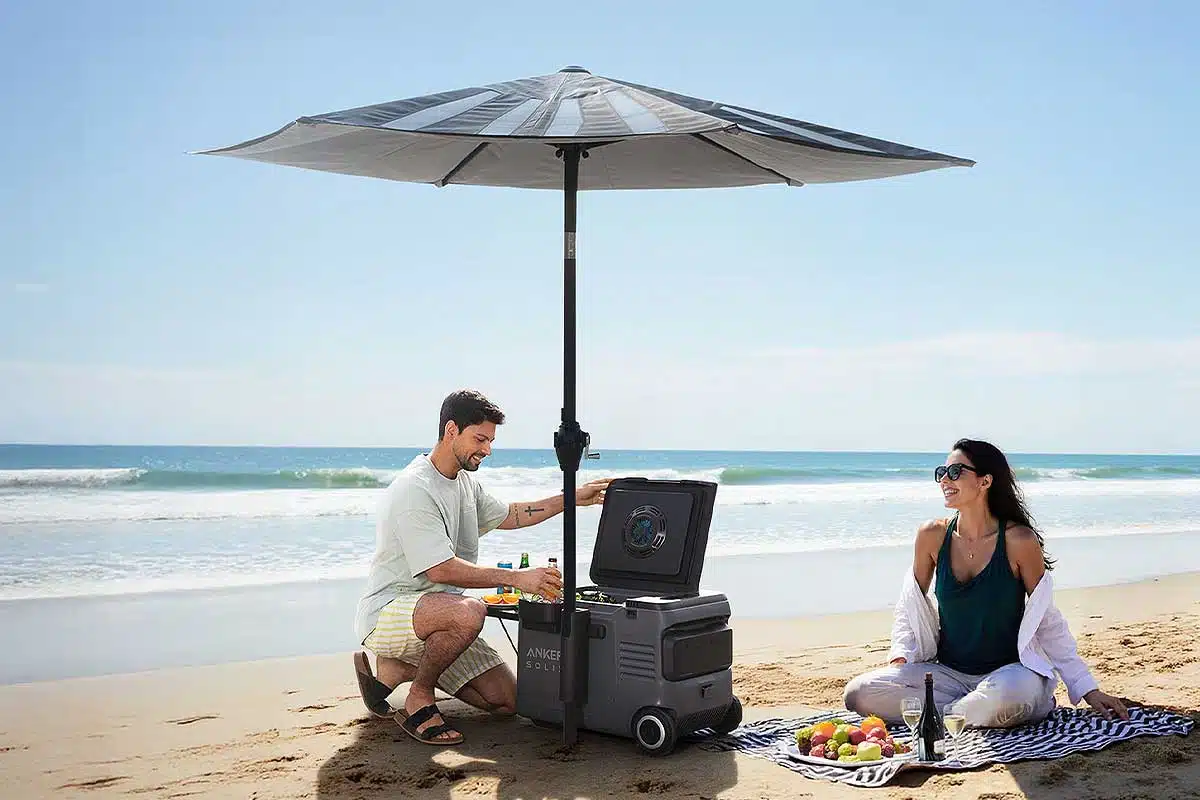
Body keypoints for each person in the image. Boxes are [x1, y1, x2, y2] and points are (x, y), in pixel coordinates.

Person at [351, 389, 610, 745]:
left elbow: (513, 515)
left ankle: (400, 667)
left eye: (490, 440)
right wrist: (518, 579)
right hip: (389, 612)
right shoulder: (415, 490)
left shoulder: (464, 482)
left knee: (507, 701)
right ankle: (419, 696)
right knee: (469, 612)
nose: (486, 449)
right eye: (480, 439)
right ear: (451, 431)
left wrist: (571, 498)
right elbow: (440, 570)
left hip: (439, 616)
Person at [843, 438, 1128, 730]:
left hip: (1011, 675)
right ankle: (964, 714)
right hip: (949, 676)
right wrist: (902, 655)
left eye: (955, 472)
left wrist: (1085, 687)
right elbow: (910, 604)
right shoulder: (932, 536)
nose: (944, 479)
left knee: (1007, 696)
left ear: (985, 481)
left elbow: (1047, 619)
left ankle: (953, 715)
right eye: (941, 472)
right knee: (859, 694)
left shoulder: (1019, 542)